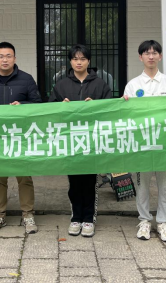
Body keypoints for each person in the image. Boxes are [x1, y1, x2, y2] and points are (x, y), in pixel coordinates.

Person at [123, 40, 166, 243]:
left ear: (160, 56)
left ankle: (163, 222)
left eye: (154, 53)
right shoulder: (133, 85)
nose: (151, 56)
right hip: (142, 143)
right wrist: (124, 105)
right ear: (140, 57)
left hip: (165, 143)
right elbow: (127, 115)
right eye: (147, 53)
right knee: (142, 185)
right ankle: (144, 220)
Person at [0, 41, 42, 234]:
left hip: (20, 136)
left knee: (24, 177)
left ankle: (28, 215)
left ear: (15, 58)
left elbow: (38, 105)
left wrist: (23, 105)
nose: (5, 59)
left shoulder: (26, 79)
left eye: (8, 56)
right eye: (1, 56)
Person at [48, 44, 111, 238]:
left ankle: (89, 218)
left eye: (83, 59)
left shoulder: (100, 84)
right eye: (75, 59)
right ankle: (76, 217)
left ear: (89, 61)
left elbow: (109, 109)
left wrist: (96, 106)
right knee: (74, 182)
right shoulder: (61, 85)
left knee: (90, 181)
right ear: (70, 62)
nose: (79, 62)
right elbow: (50, 109)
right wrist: (61, 106)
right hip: (71, 140)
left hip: (92, 140)